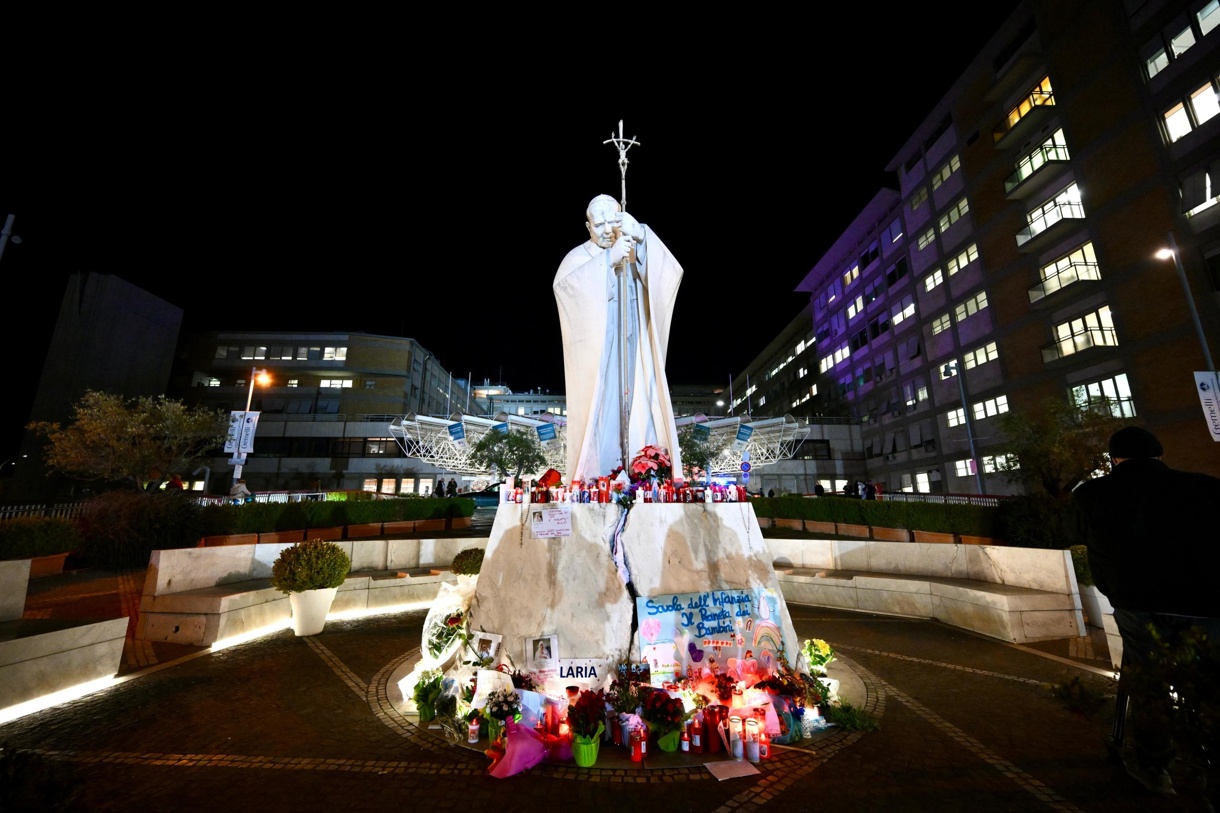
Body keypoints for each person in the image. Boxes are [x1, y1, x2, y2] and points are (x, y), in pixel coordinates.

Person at [1070, 426, 1220, 798]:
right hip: (1205, 603)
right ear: (1158, 454)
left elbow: (1072, 533)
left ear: (1113, 458)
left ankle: (1155, 766)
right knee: (1211, 681)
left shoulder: (1092, 494)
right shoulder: (1202, 486)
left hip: (1136, 602)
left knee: (1148, 678)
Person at [553, 194, 683, 483]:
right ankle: (601, 474)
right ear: (588, 227)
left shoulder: (630, 248)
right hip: (599, 352)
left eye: (612, 221)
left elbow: (669, 274)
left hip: (634, 348)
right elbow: (566, 292)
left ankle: (645, 466)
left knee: (641, 404)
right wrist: (606, 263)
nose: (606, 230)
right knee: (604, 410)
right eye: (598, 224)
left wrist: (642, 237)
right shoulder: (577, 258)